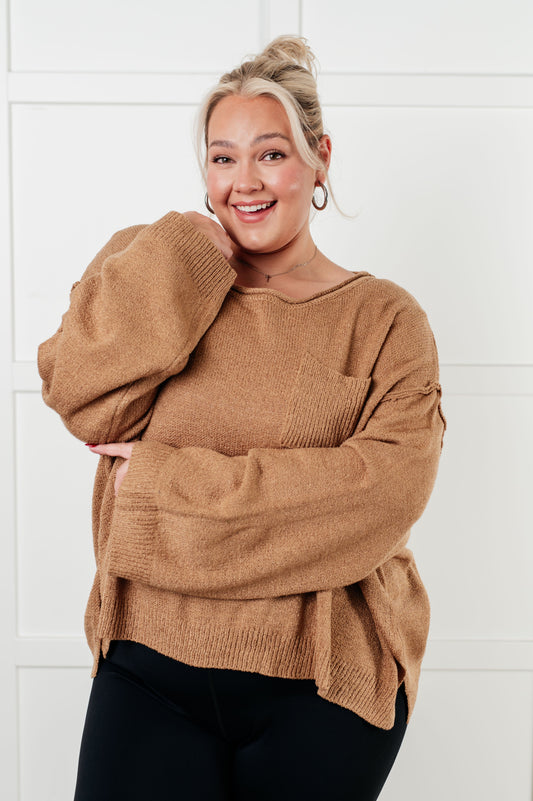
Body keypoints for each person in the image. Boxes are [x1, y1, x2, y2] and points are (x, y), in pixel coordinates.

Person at [38, 35, 446, 801]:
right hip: (149, 659)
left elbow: (376, 500)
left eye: (269, 154)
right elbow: (79, 392)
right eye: (221, 158)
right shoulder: (159, 264)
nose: (243, 181)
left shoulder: (384, 319)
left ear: (318, 158)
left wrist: (158, 492)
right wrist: (188, 258)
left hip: (321, 677)